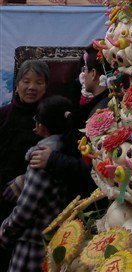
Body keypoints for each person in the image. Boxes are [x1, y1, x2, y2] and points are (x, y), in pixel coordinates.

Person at [0, 96, 73, 272]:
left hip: (32, 245)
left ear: (41, 126)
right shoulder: (68, 150)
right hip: (55, 239)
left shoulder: (41, 158)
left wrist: (4, 231)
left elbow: (25, 209)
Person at [28, 45, 109, 199]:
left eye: (85, 70)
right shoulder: (94, 104)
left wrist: (54, 160)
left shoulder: (102, 114)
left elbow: (96, 165)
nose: (82, 75)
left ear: (93, 73)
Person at [0, 61, 49, 210]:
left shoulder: (51, 118)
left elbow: (58, 157)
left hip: (35, 196)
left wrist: (26, 179)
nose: (32, 87)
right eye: (26, 81)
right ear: (17, 84)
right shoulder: (2, 115)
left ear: (46, 87)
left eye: (39, 82)